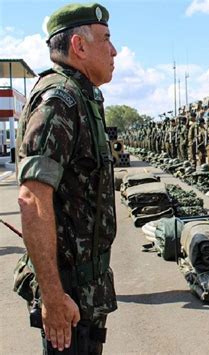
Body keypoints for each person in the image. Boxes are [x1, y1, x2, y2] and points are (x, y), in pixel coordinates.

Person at [15, 3, 118, 353]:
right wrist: (53, 298)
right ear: (79, 45)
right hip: (68, 294)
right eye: (106, 39)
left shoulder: (81, 96)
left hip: (85, 288)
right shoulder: (61, 101)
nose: (114, 50)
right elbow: (32, 199)